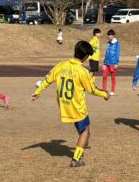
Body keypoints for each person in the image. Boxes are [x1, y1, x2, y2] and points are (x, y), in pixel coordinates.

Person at [32, 39, 110, 167]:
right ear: (85, 57)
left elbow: (47, 79)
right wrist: (105, 94)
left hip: (64, 104)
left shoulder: (61, 65)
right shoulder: (82, 72)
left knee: (85, 128)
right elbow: (92, 90)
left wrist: (37, 91)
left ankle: (83, 144)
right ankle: (76, 159)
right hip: (76, 105)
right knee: (84, 131)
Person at [101, 28, 120, 95]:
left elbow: (117, 53)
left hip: (113, 63)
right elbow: (107, 52)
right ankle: (104, 90)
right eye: (108, 35)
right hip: (106, 63)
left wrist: (116, 63)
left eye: (110, 35)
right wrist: (104, 63)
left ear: (113, 35)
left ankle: (112, 91)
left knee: (113, 77)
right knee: (104, 76)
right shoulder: (108, 43)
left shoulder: (117, 44)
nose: (109, 36)